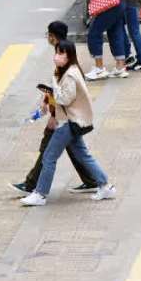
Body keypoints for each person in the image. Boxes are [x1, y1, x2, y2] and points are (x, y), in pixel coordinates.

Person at [21, 40, 117, 205]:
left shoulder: (70, 75)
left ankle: (40, 194)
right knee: (83, 155)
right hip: (71, 121)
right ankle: (105, 186)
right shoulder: (67, 71)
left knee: (49, 157)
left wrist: (53, 85)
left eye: (61, 53)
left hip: (68, 123)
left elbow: (65, 99)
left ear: (69, 55)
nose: (56, 56)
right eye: (56, 52)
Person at [14, 21, 101, 196]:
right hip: (67, 116)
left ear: (53, 36)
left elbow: (63, 93)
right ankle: (93, 180)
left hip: (64, 116)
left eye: (48, 34)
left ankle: (33, 186)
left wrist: (53, 113)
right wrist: (48, 98)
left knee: (48, 152)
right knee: (76, 150)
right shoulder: (66, 52)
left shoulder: (62, 56)